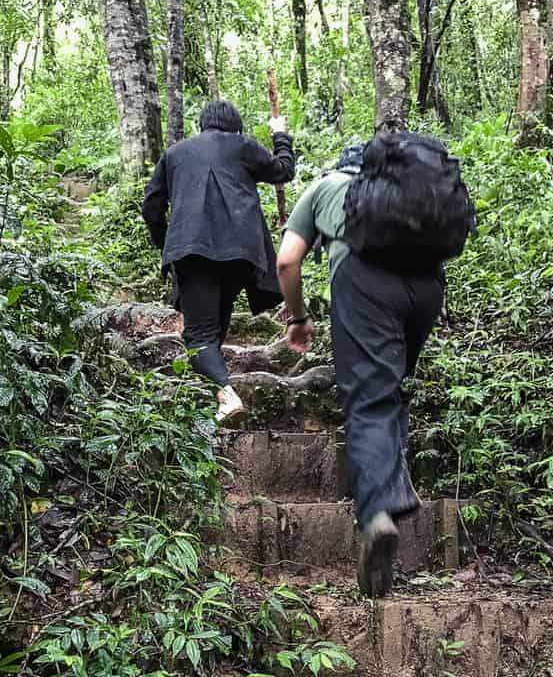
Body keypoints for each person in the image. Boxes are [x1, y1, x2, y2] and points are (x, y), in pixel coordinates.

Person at [276, 142, 448, 597]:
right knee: (389, 387)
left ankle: (376, 513)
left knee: (369, 398)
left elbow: (287, 260)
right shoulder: (405, 192)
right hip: (427, 286)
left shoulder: (324, 187)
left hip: (365, 281)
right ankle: (394, 485)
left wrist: (297, 317)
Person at [142, 100, 295, 422]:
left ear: (202, 123)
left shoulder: (175, 153)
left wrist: (166, 242)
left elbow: (151, 207)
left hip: (192, 251)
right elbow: (284, 171)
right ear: (234, 125)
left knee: (199, 335)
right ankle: (217, 398)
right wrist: (280, 136)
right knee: (214, 329)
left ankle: (225, 395)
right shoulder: (244, 146)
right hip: (240, 252)